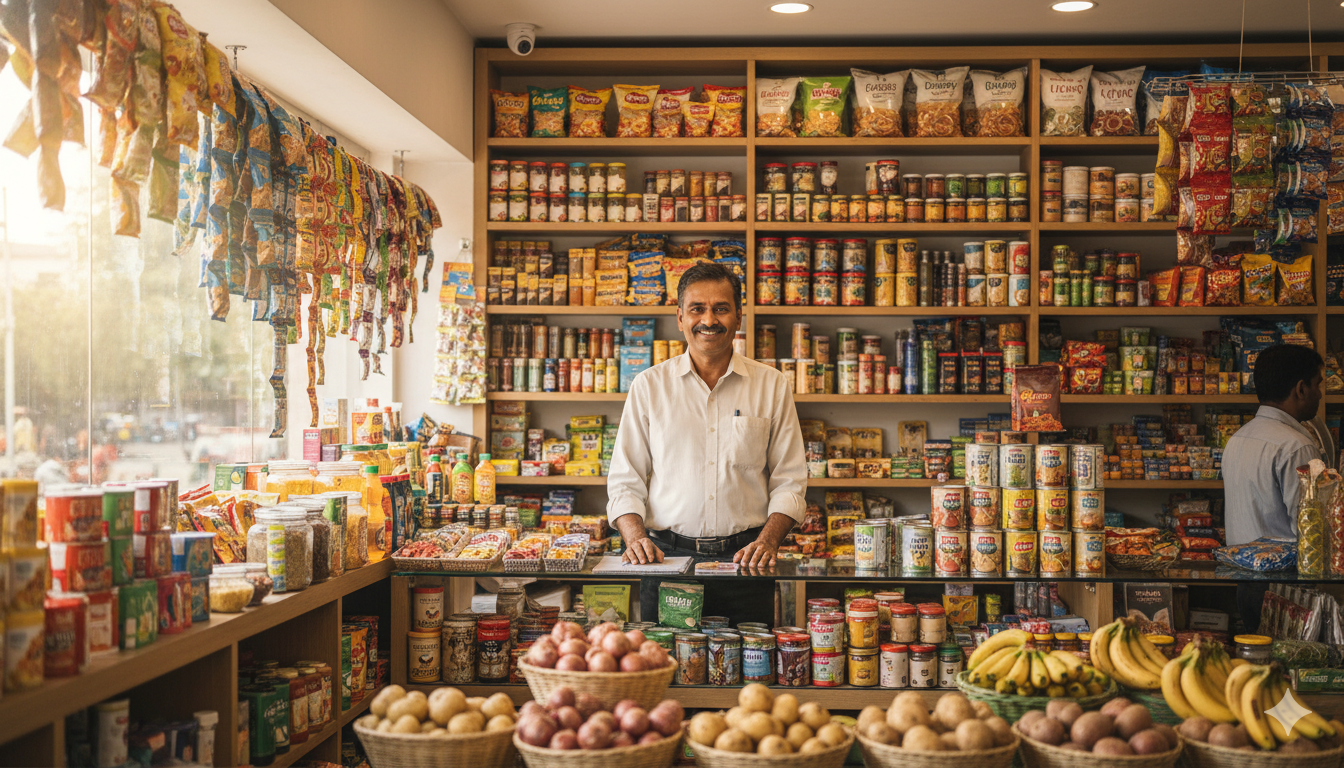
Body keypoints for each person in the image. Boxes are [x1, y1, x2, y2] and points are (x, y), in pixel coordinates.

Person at [606, 262, 807, 625]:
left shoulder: (772, 385)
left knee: (749, 673)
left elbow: (790, 480)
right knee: (668, 674)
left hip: (747, 560)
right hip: (667, 561)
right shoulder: (650, 387)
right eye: (697, 309)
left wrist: (768, 541)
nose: (709, 320)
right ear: (680, 317)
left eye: (721, 308)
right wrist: (634, 537)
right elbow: (625, 479)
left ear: (739, 316)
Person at [1223, 343, 1325, 631]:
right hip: (1287, 587)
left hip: (1244, 581)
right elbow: (1310, 532)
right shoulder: (1297, 446)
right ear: (1301, 388)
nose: (1319, 394)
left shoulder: (1240, 437)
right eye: (1318, 385)